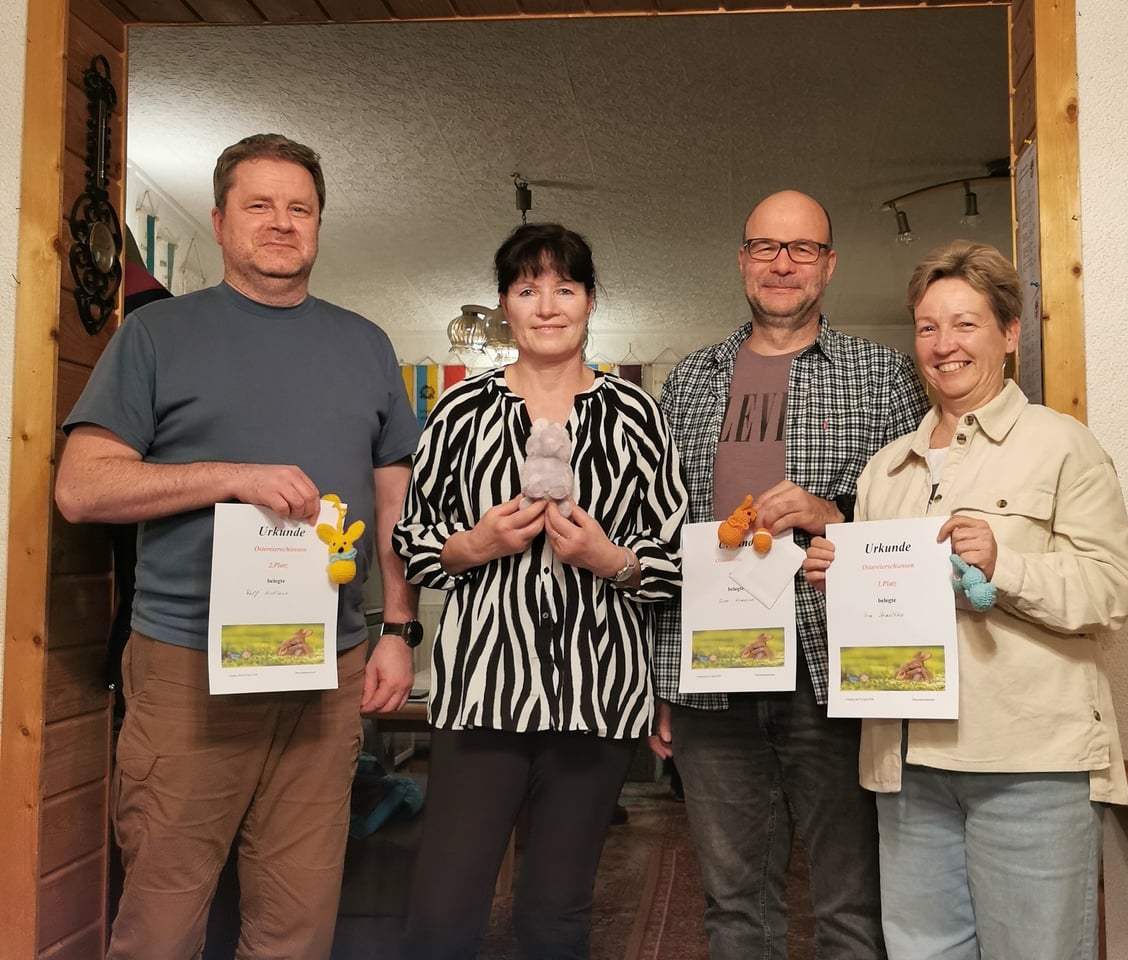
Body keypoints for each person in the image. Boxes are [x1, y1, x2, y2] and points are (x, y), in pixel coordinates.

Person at [55, 133, 421, 960]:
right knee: (161, 923)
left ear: (320, 225)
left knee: (298, 925)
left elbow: (394, 501)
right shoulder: (156, 335)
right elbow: (81, 487)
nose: (282, 223)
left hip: (327, 667)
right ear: (220, 223)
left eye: (300, 208)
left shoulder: (367, 345)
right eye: (259, 205)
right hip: (188, 666)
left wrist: (399, 629)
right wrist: (230, 477)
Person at [802, 240, 1128, 960]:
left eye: (966, 324)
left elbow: (1113, 590)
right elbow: (887, 616)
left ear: (1010, 334)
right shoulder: (885, 469)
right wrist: (843, 579)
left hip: (1029, 766)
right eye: (927, 327)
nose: (944, 344)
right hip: (907, 766)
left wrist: (1004, 566)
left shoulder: (1064, 446)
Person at [394, 222, 688, 959]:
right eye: (528, 289)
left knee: (556, 915)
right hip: (483, 694)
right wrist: (476, 544)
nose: (548, 305)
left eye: (565, 287)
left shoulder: (638, 416)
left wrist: (608, 558)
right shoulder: (460, 413)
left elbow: (676, 559)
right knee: (442, 913)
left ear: (590, 301)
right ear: (505, 304)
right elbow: (413, 541)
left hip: (599, 699)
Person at [648, 190, 929, 958]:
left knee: (853, 907)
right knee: (734, 910)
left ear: (828, 265)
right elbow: (661, 532)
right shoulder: (689, 381)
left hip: (833, 672)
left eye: (802, 248)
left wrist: (832, 513)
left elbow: (918, 519)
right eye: (766, 247)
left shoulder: (883, 377)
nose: (783, 263)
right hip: (709, 679)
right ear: (743, 259)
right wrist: (658, 679)